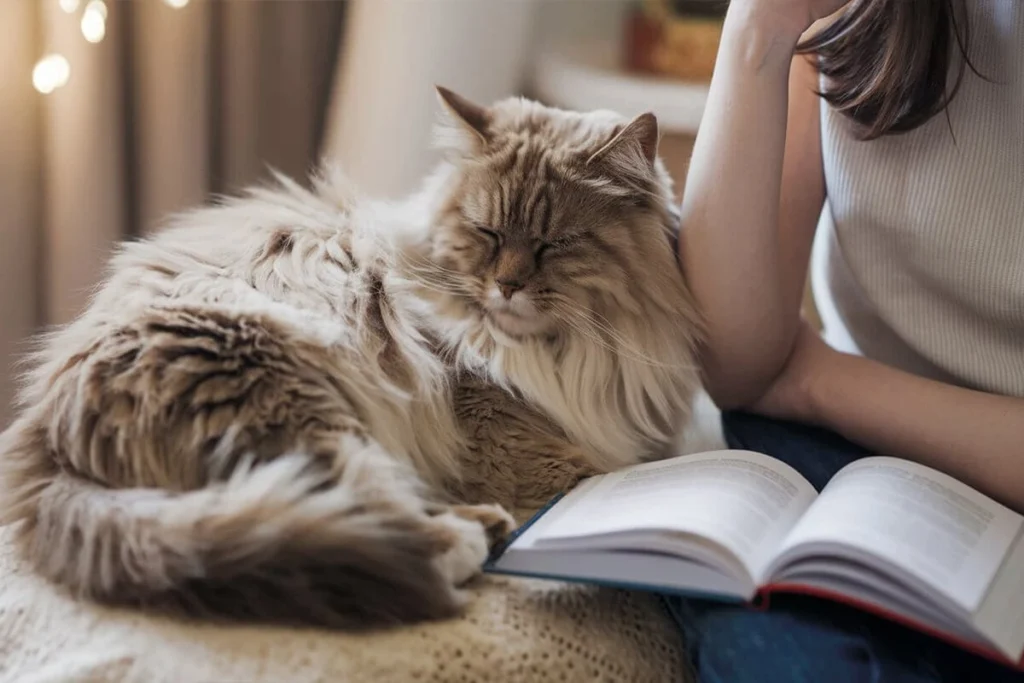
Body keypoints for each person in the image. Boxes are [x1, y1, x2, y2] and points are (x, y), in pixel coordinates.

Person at [672, 0, 1024, 680]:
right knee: (775, 654)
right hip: (860, 463)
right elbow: (736, 363)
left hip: (862, 410)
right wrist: (757, 30)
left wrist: (816, 382)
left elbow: (776, 374)